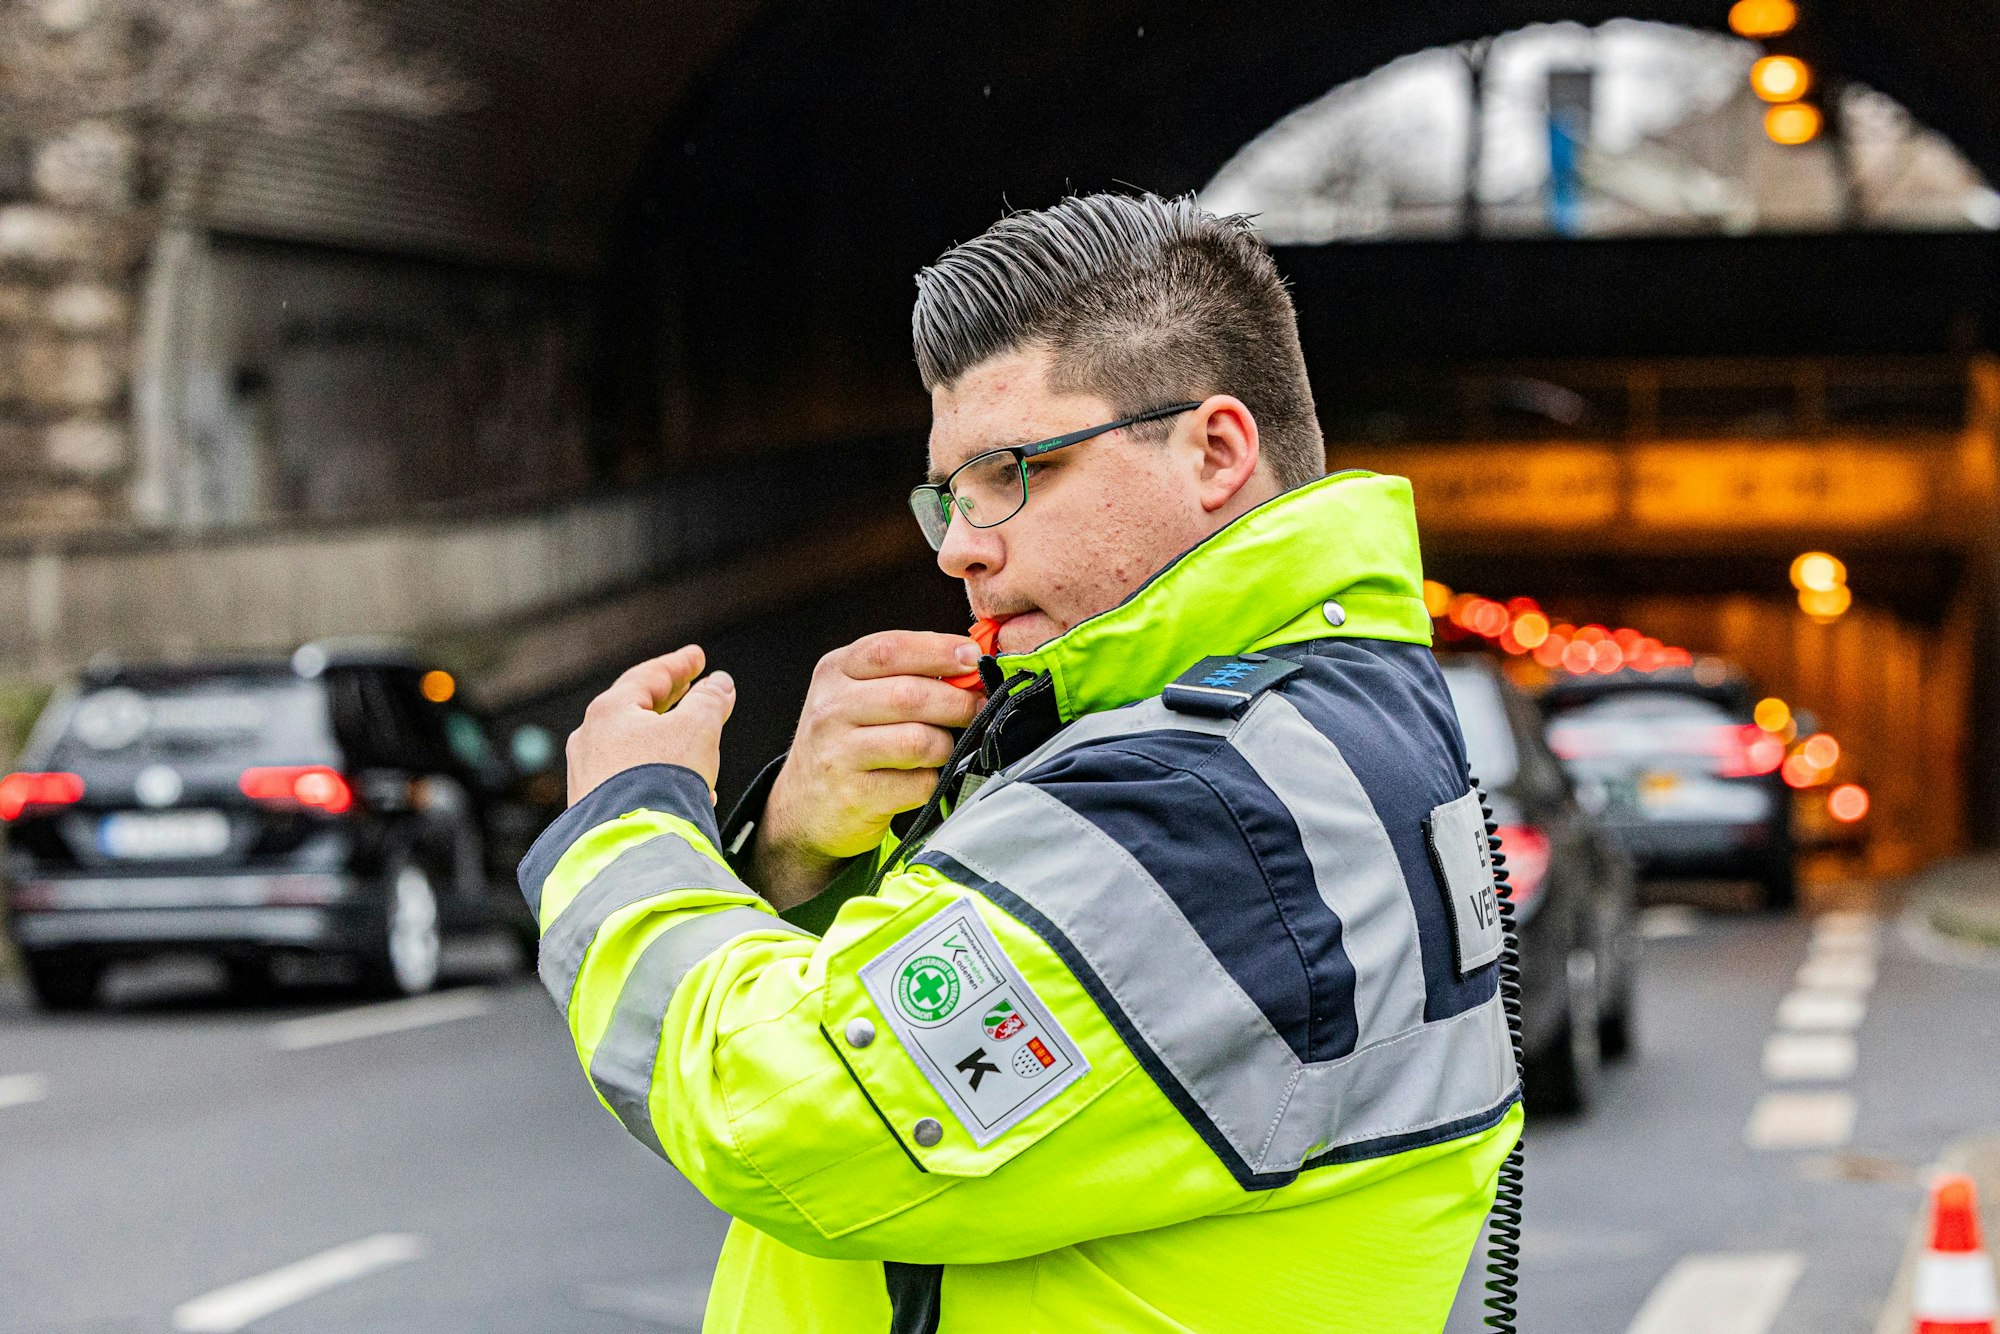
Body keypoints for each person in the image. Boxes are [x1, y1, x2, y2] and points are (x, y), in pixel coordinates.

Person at [523, 192, 1522, 1333]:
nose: (958, 543)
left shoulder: (1200, 804)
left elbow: (785, 1116)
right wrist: (808, 855)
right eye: (945, 493)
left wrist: (627, 826)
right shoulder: (1264, 733)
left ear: (1213, 450)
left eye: (1007, 472)